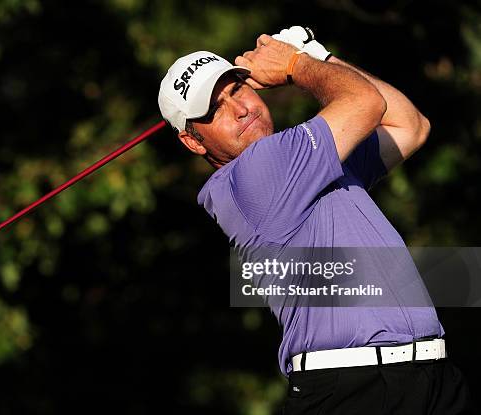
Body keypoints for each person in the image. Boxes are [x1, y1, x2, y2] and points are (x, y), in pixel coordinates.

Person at [157, 26, 474, 414]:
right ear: (193, 141)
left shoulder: (307, 164)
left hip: (428, 378)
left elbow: (410, 125)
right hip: (355, 391)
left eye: (236, 88)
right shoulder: (258, 171)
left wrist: (317, 56)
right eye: (214, 109)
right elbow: (366, 103)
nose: (239, 108)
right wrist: (296, 62)